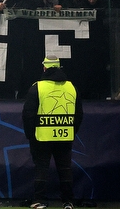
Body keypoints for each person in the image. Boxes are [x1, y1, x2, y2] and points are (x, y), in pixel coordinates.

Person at [22, 56, 83, 209]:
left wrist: (30, 134)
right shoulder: (71, 87)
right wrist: (71, 130)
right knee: (65, 169)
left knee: (41, 168)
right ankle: (68, 201)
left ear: (44, 68)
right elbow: (79, 114)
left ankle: (39, 200)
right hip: (64, 135)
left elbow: (28, 114)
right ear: (59, 67)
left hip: (41, 137)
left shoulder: (37, 87)